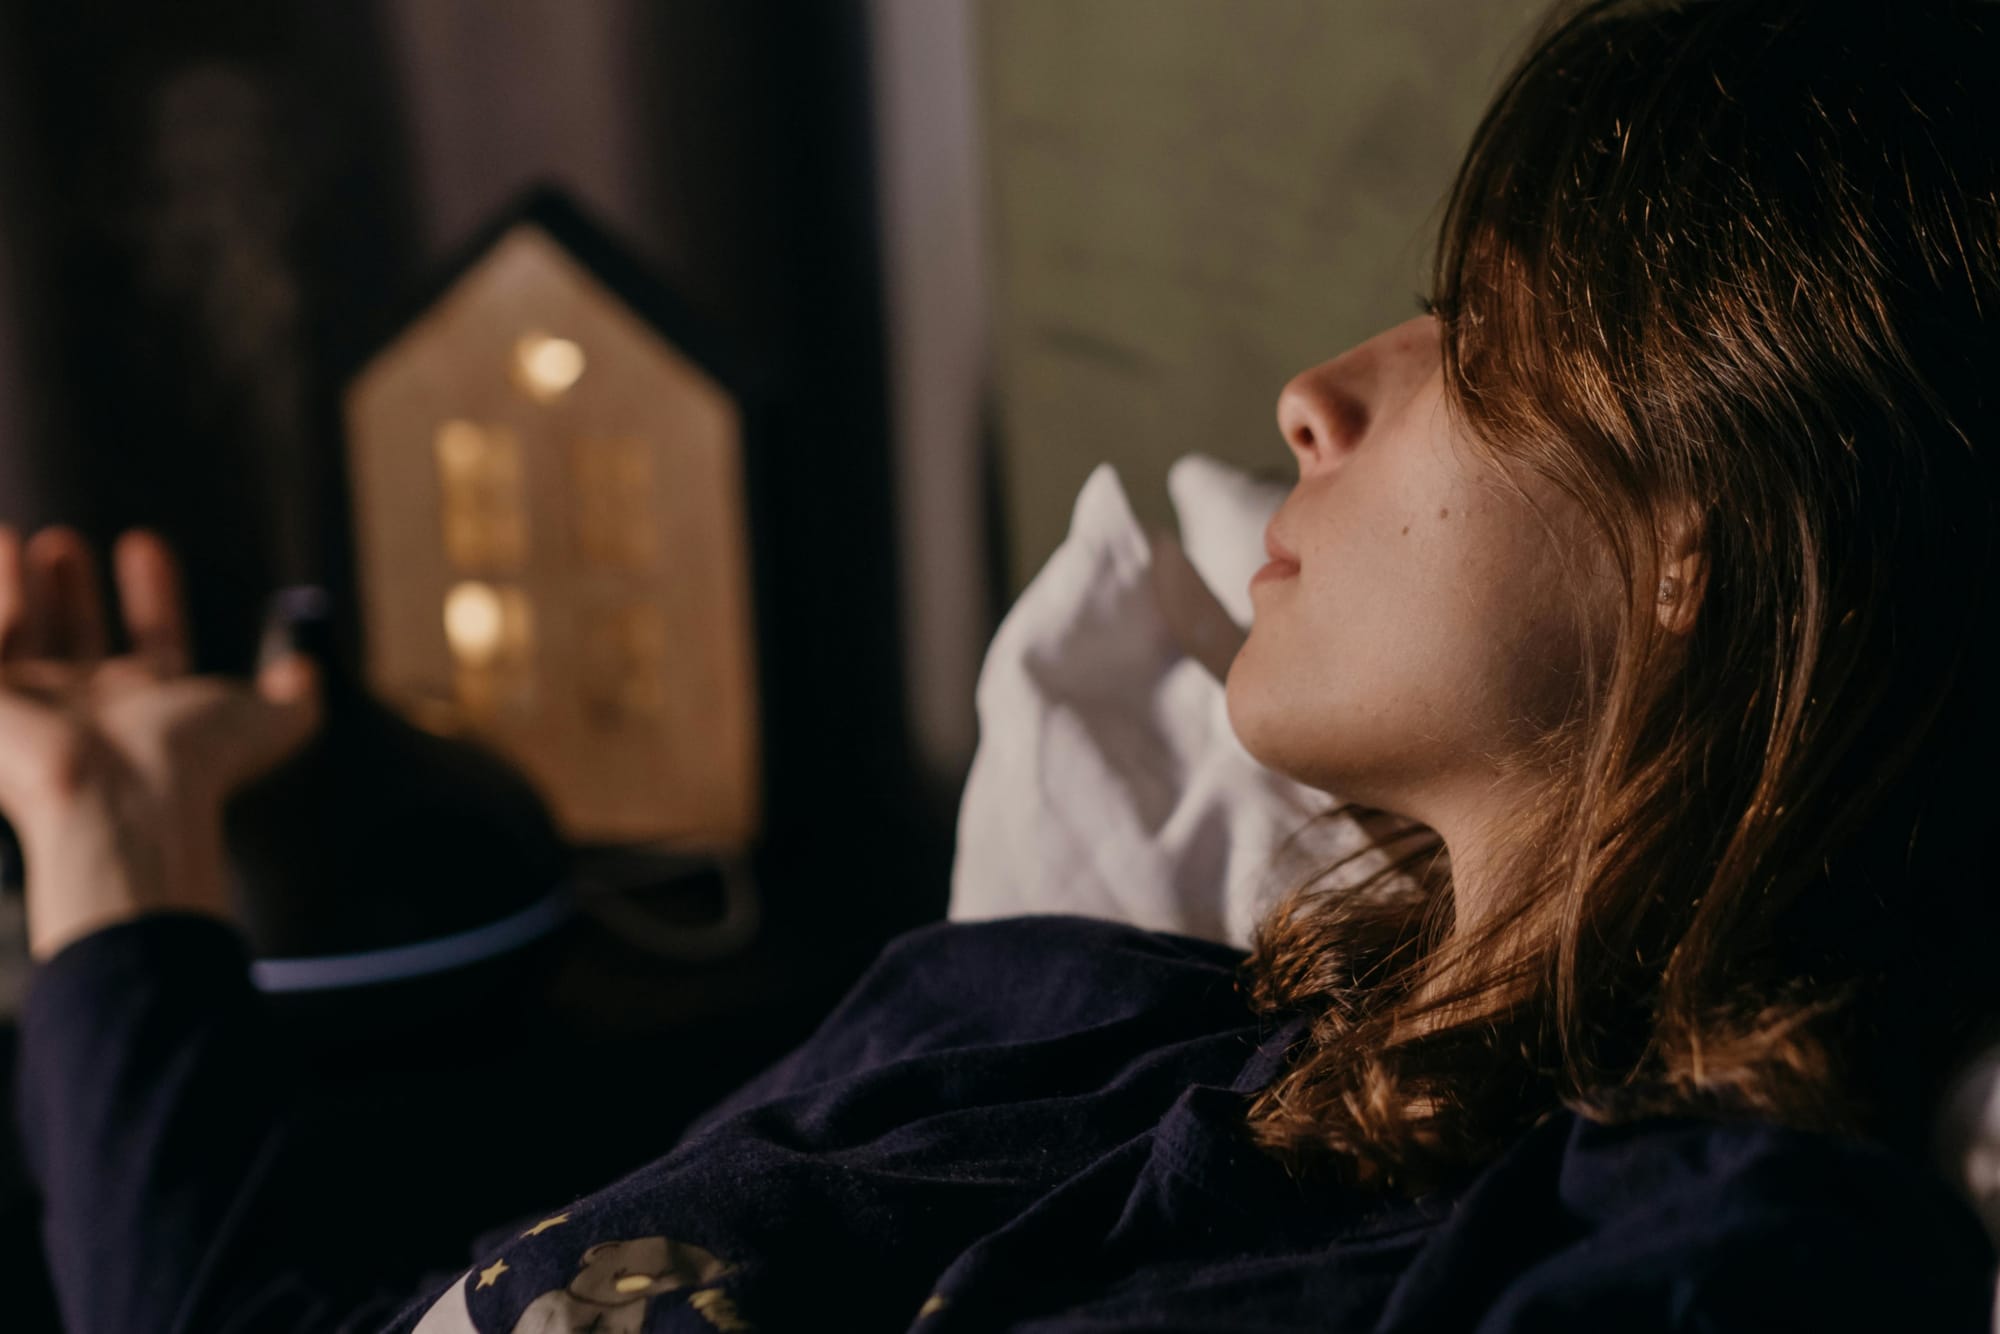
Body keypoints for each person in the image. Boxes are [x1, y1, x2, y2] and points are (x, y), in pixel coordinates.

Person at [12, 0, 2000, 1328]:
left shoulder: (1703, 1256)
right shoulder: (1044, 1013)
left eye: (1476, 347)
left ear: (1706, 543)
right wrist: (108, 822)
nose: (1312, 398)